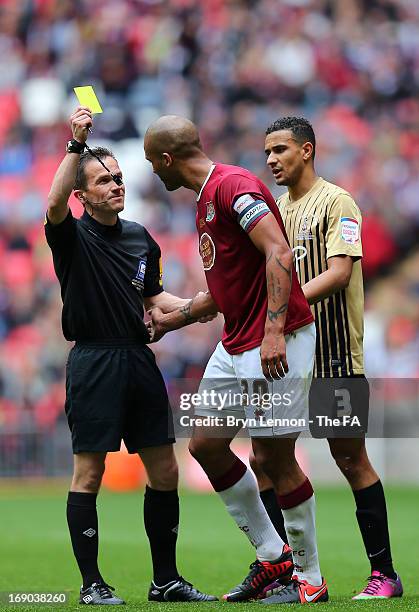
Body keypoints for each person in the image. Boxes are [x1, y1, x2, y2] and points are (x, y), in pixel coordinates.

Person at [144, 115, 328, 604]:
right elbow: (223, 290)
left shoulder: (233, 187)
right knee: (205, 444)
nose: (152, 174)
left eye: (152, 163)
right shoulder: (206, 198)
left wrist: (272, 332)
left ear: (167, 159)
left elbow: (280, 254)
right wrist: (173, 320)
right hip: (235, 341)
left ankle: (310, 579)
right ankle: (274, 557)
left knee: (272, 456)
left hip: (277, 338)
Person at [45, 106, 217, 605]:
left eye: (118, 178)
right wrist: (75, 145)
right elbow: (53, 205)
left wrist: (195, 307)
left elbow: (152, 300)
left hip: (139, 361)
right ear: (84, 195)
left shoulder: (142, 237)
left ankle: (165, 580)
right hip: (93, 360)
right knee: (90, 474)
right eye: (103, 181)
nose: (116, 185)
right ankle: (91, 585)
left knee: (164, 472)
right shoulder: (71, 235)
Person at [254, 116, 402, 602]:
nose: (272, 160)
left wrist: (284, 309)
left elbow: (339, 272)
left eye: (280, 150)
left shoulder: (337, 202)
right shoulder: (275, 210)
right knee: (265, 456)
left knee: (349, 457)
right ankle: (283, 572)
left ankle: (384, 574)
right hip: (288, 356)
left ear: (308, 150)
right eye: (268, 152)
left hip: (334, 355)